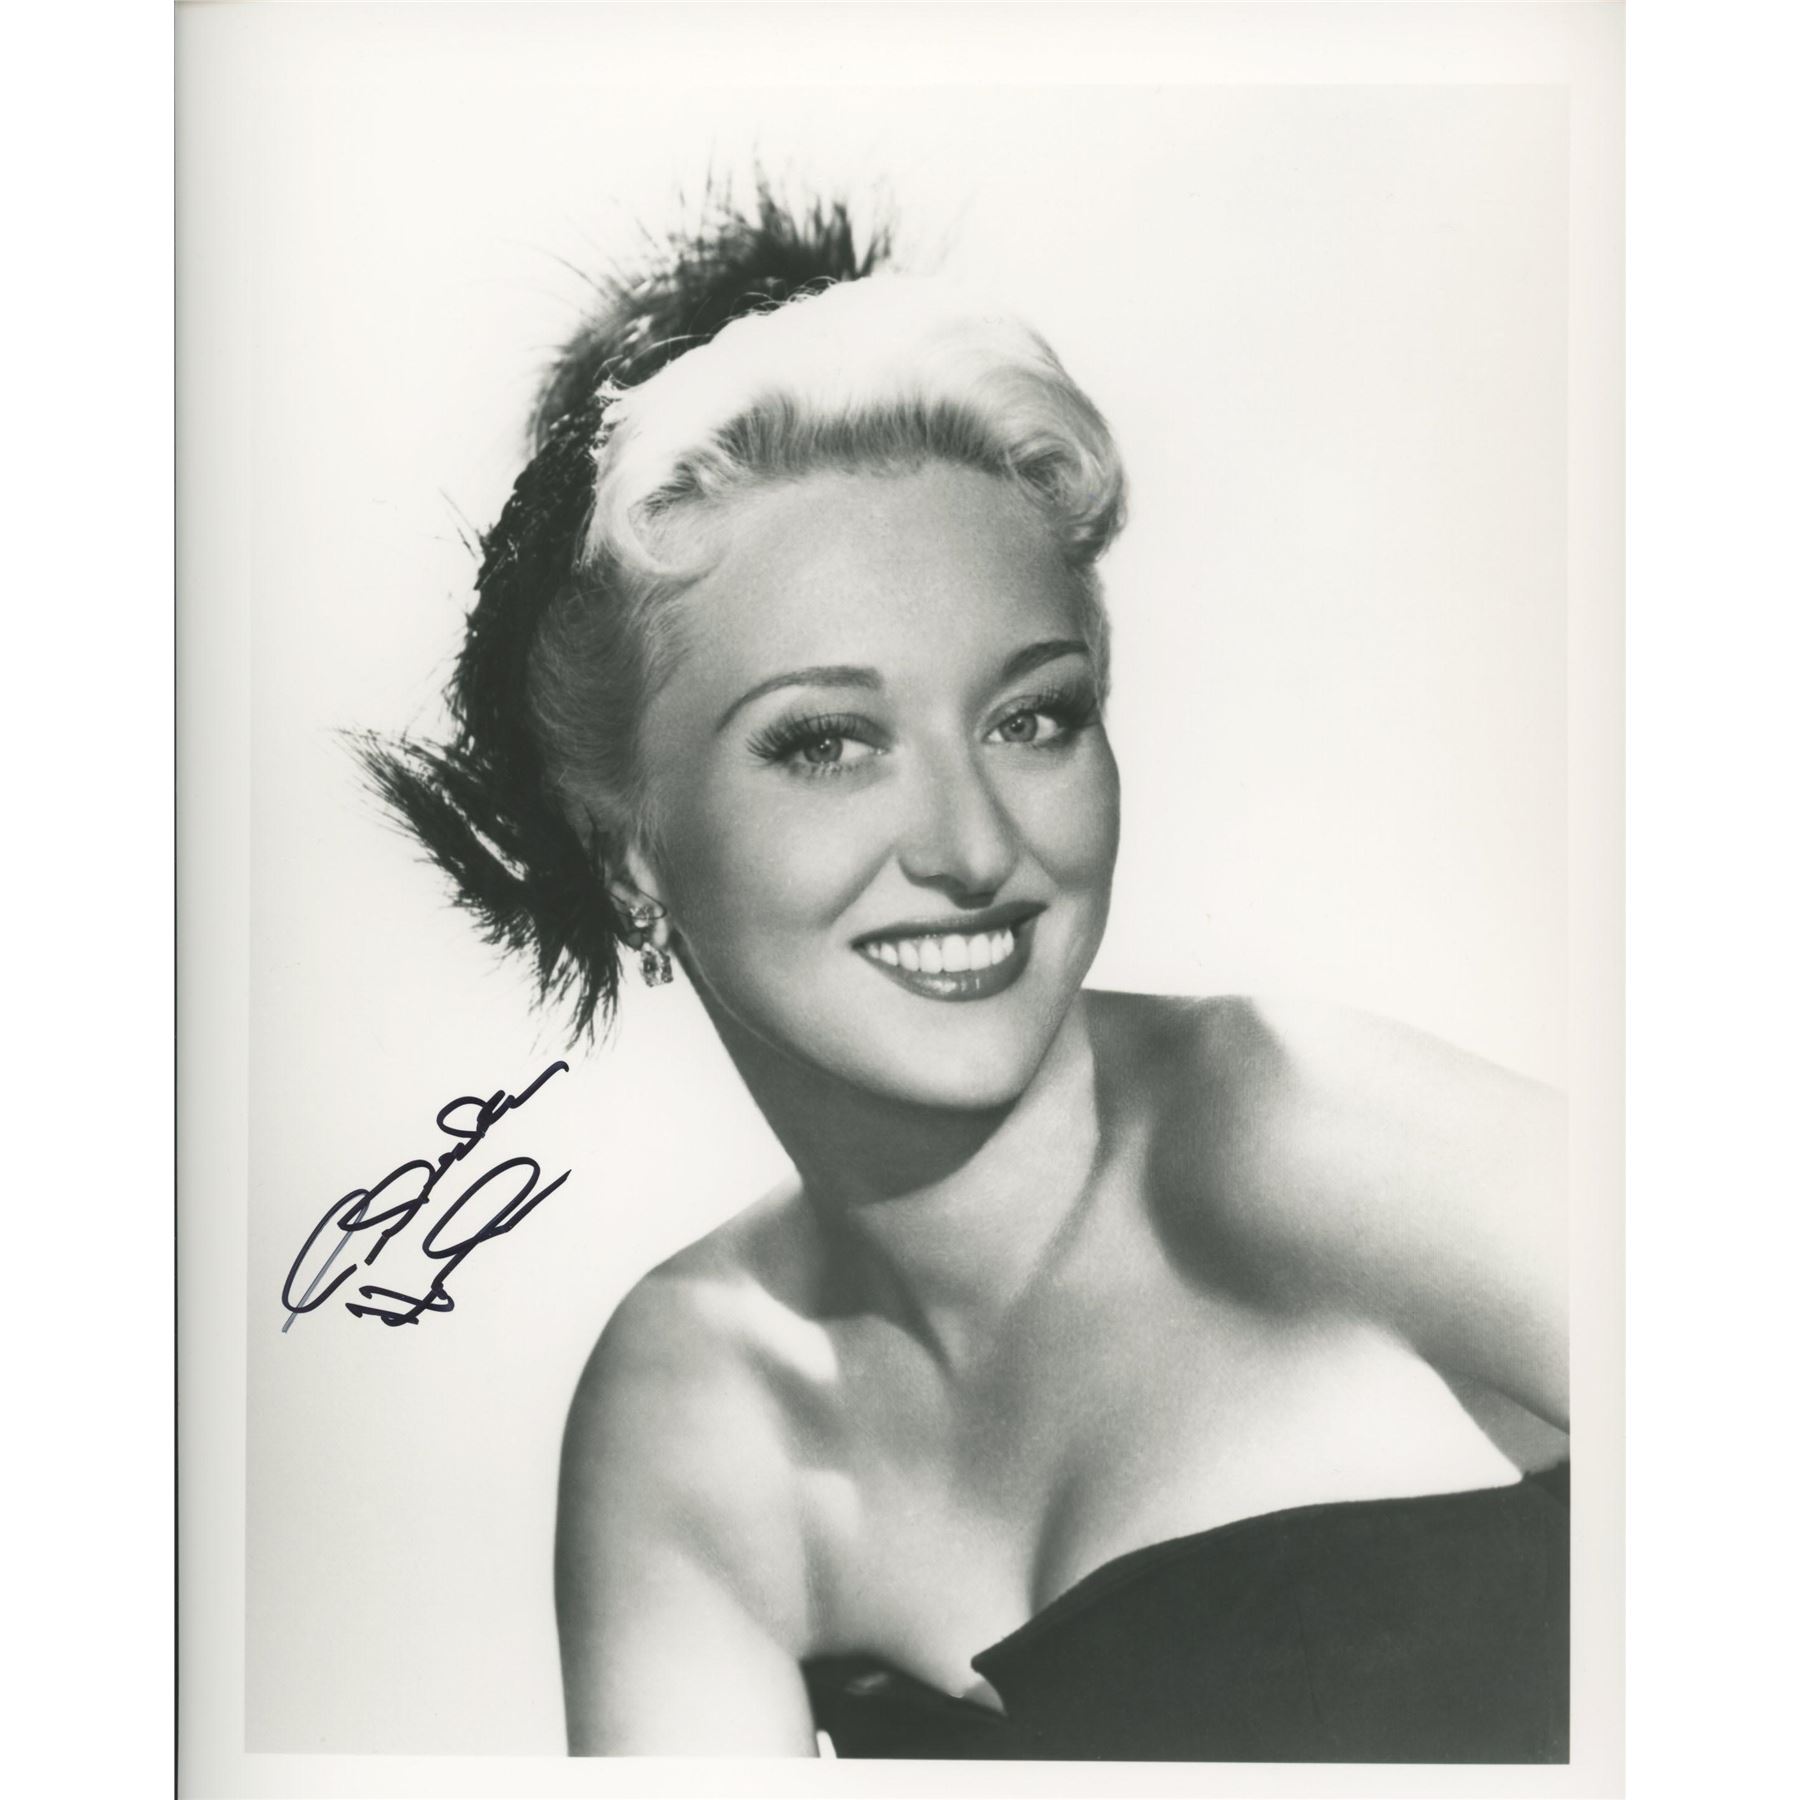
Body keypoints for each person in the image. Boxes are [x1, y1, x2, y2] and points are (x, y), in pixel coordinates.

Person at [361, 190, 1569, 1761]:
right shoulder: (702, 1397)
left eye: (1031, 718)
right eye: (827, 743)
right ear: (631, 846)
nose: (973, 845)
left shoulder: (1304, 1130)